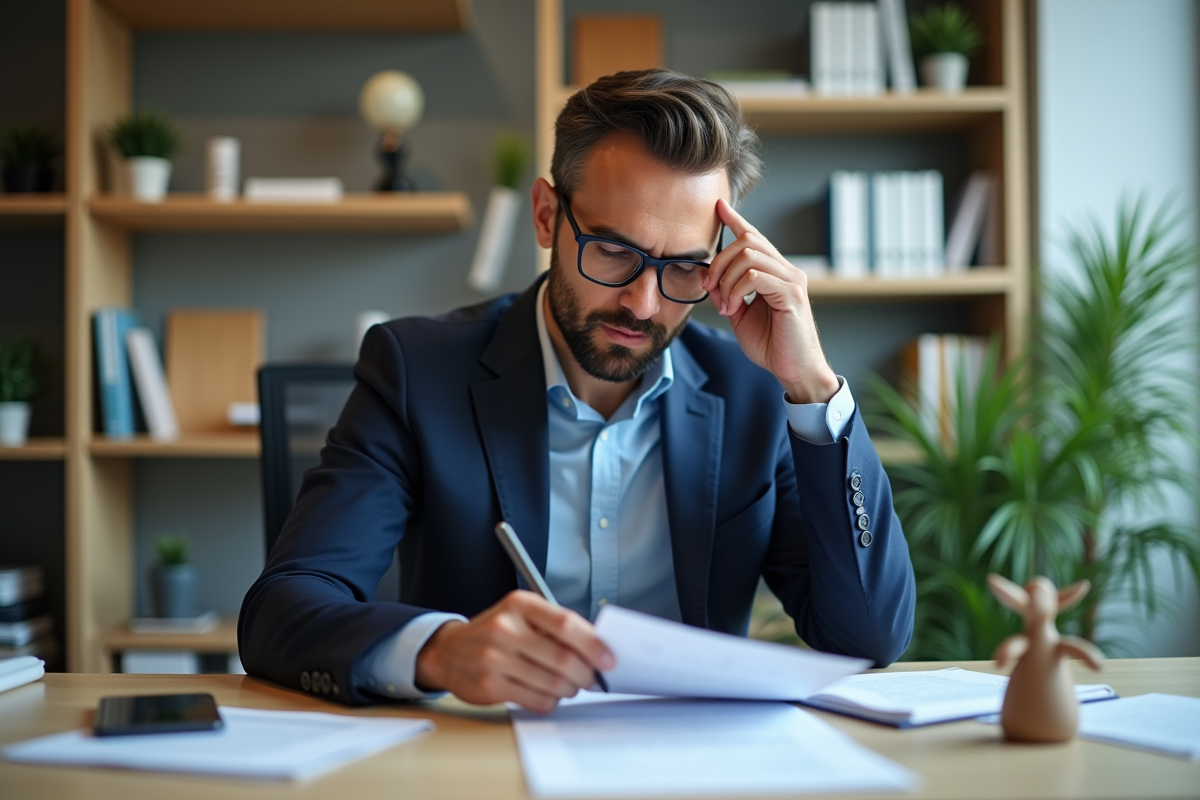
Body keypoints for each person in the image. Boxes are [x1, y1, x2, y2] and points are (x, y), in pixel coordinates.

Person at [239, 69, 915, 712]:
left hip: (695, 760)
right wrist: (441, 652)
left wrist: (811, 386)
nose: (644, 304)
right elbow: (282, 610)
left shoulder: (758, 393)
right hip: (481, 755)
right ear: (546, 217)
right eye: (614, 252)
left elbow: (868, 637)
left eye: (684, 267)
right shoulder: (416, 371)